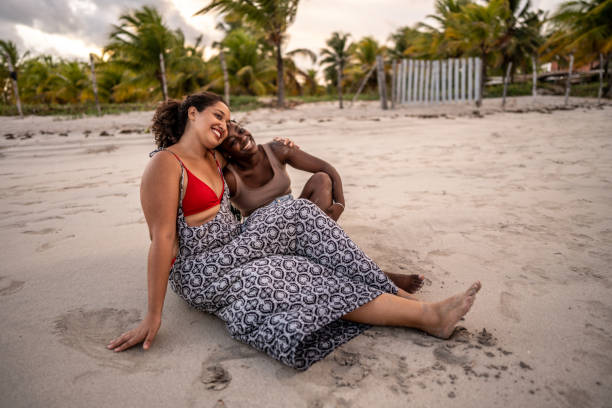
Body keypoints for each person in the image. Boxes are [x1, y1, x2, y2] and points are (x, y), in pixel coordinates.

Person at [107, 91, 482, 371]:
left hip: (235, 244)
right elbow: (162, 241)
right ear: (193, 113)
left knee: (297, 210)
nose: (223, 124)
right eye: (217, 115)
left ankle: (402, 296)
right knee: (286, 273)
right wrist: (152, 316)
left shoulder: (214, 155)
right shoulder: (165, 164)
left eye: (228, 119)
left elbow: (251, 149)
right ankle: (426, 317)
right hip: (203, 270)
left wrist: (282, 145)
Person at [219, 121, 425, 294]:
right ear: (226, 153)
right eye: (232, 142)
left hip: (300, 220)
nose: (243, 138)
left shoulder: (276, 149)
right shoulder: (230, 178)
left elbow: (326, 169)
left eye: (241, 130)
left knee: (321, 180)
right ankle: (380, 276)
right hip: (269, 235)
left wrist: (340, 203)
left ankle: (322, 250)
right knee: (320, 240)